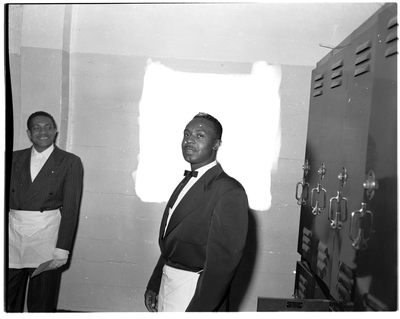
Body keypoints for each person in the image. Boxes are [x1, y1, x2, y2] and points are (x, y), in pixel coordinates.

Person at [144, 112, 249, 312]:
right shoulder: (188, 182)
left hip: (194, 292)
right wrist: (155, 282)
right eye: (186, 134)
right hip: (169, 283)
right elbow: (173, 244)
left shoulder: (229, 191)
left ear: (216, 144)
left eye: (200, 135)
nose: (189, 140)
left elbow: (222, 267)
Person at [7, 111, 84, 312]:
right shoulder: (12, 158)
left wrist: (63, 248)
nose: (43, 132)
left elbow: (71, 208)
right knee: (7, 297)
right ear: (28, 133)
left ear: (56, 131)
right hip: (12, 234)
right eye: (37, 128)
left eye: (48, 127)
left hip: (47, 236)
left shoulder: (69, 161)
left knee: (41, 300)